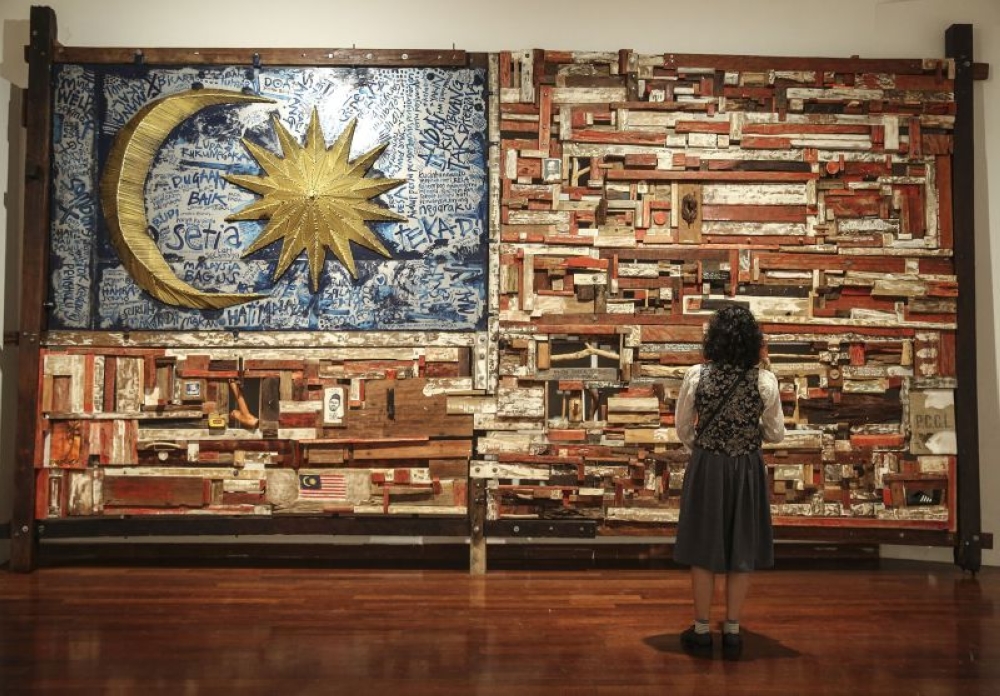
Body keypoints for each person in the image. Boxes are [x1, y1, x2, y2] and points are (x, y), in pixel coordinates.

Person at [673, 303, 785, 660]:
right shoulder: (764, 380)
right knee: (742, 547)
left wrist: (706, 447)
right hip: (746, 467)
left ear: (714, 341)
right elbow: (776, 433)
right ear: (754, 342)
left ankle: (703, 630)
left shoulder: (696, 376)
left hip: (708, 465)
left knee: (704, 547)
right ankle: (733, 630)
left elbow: (682, 427)